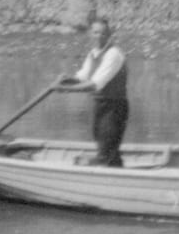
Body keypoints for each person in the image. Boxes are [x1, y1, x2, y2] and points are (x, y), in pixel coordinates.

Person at [55, 17, 128, 167]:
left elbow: (95, 85)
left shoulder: (113, 54)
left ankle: (111, 172)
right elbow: (82, 77)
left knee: (107, 146)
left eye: (102, 33)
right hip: (100, 105)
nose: (98, 36)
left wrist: (66, 89)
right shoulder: (93, 53)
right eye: (95, 33)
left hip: (115, 107)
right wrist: (66, 80)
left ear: (109, 35)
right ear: (90, 34)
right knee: (103, 144)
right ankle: (114, 167)